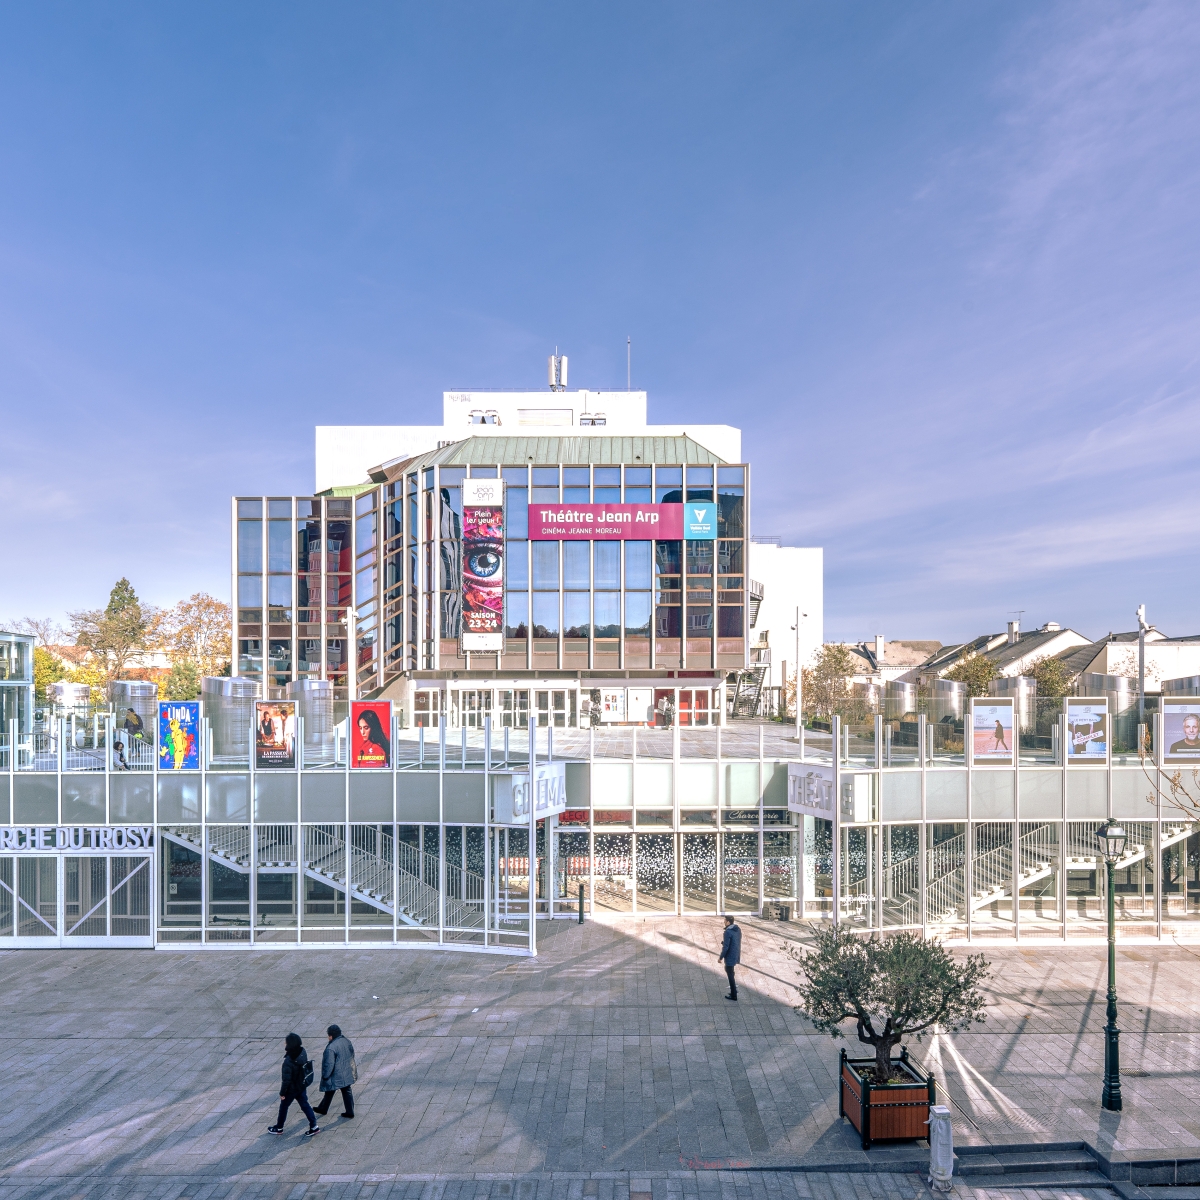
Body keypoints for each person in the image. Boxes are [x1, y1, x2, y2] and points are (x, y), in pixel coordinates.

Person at [267, 1032, 320, 1137]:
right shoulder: (302, 1052)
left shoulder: (288, 1061)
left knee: (284, 1107)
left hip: (291, 1089)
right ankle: (314, 1126)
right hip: (301, 1085)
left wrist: (282, 1093)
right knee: (305, 1105)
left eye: (285, 1042)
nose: (284, 1044)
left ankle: (279, 1127)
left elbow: (286, 1080)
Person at [313, 1024, 357, 1119]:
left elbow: (329, 1064)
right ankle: (349, 1111)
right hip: (346, 1070)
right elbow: (352, 1054)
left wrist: (325, 1076)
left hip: (336, 1074)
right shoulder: (346, 1041)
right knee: (345, 1090)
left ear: (331, 1036)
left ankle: (323, 1108)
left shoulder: (331, 1048)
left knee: (330, 1089)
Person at [717, 915, 741, 1002]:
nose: (724, 921)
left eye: (725, 920)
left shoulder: (727, 932)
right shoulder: (737, 929)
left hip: (730, 955)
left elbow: (726, 947)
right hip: (736, 954)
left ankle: (734, 994)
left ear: (728, 922)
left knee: (729, 972)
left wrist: (721, 957)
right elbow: (736, 940)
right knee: (731, 972)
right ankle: (734, 989)